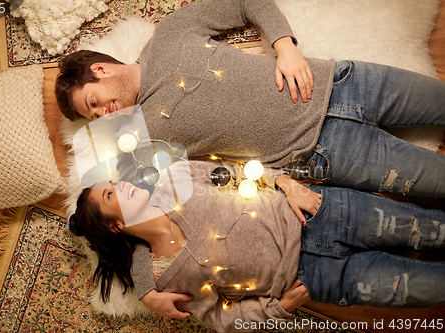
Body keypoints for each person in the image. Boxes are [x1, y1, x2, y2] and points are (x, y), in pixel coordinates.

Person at [55, 0, 445, 199]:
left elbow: (246, 2)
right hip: (324, 152)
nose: (105, 114)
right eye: (94, 117)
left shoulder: (169, 34)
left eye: (94, 104)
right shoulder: (144, 138)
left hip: (340, 83)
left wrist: (285, 47)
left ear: (101, 71)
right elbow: (129, 208)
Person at [69, 159, 445, 332]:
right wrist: (278, 310)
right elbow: (221, 319)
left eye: (112, 182)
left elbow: (240, 171)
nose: (121, 186)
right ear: (116, 226)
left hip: (318, 214)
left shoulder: (174, 178)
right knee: (422, 287)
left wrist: (285, 182)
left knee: (428, 229)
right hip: (315, 277)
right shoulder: (164, 278)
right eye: (109, 194)